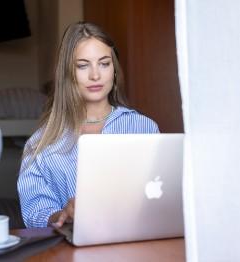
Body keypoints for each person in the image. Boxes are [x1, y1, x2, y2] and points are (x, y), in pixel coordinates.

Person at [17, 21, 159, 229]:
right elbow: (34, 212)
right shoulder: (40, 143)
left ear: (115, 70)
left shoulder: (145, 128)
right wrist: (62, 214)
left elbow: (160, 193)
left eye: (104, 63)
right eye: (83, 65)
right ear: (67, 75)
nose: (95, 75)